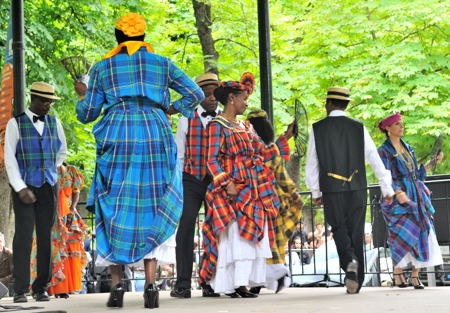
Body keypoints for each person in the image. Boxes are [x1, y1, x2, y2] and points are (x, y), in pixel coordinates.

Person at [74, 12, 204, 309]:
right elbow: (194, 93)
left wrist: (82, 96)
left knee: (114, 204)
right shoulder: (162, 64)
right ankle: (150, 285)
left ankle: (118, 287)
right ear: (143, 37)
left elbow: (87, 114)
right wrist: (169, 109)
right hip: (155, 135)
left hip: (119, 134)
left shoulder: (103, 68)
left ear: (118, 38)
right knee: (152, 203)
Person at [305, 87, 394, 294]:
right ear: (345, 104)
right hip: (357, 187)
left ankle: (350, 262)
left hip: (331, 188)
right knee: (355, 230)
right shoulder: (358, 127)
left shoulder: (317, 129)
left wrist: (316, 192)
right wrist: (386, 187)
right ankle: (356, 279)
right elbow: (374, 157)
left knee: (338, 228)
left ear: (329, 104)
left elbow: (312, 163)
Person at [198, 73, 280, 298]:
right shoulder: (218, 125)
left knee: (253, 235)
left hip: (255, 188)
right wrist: (227, 183)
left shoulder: (246, 126)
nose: (246, 103)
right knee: (235, 236)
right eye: (244, 98)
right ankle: (235, 283)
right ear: (232, 99)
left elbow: (261, 151)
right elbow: (211, 160)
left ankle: (246, 281)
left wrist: (280, 142)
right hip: (233, 189)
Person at [4, 81, 67, 303]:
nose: (47, 105)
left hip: (48, 186)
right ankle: (20, 289)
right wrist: (20, 187)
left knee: (44, 237)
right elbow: (10, 159)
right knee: (22, 237)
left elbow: (62, 151)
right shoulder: (15, 124)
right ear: (33, 99)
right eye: (44, 101)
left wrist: (52, 169)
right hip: (25, 186)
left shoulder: (54, 122)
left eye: (50, 101)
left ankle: (41, 287)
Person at [377, 112, 443, 289]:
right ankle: (398, 273)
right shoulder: (383, 150)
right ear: (388, 128)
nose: (401, 126)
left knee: (422, 230)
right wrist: (398, 192)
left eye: (402, 124)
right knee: (401, 235)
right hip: (396, 197)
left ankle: (415, 275)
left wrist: (432, 162)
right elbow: (385, 176)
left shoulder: (409, 148)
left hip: (416, 195)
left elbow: (418, 175)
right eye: (398, 124)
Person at [171, 73, 221, 299]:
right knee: (185, 228)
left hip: (216, 181)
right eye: (207, 95)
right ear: (198, 96)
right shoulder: (186, 118)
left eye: (215, 95)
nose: (212, 99)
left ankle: (210, 281)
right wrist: (177, 184)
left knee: (215, 231)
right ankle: (182, 283)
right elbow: (179, 155)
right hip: (190, 179)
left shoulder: (223, 119)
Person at [245, 109, 303, 294]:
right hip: (273, 203)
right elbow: (282, 177)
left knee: (255, 242)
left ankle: (257, 281)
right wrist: (294, 194)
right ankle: (274, 278)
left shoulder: (247, 149)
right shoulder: (271, 149)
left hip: (251, 202)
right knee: (273, 242)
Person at [47, 163, 88, 298]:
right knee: (58, 248)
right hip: (53, 212)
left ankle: (70, 286)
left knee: (71, 247)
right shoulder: (47, 168)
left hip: (69, 212)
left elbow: (76, 192)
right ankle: (59, 288)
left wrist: (71, 210)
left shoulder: (71, 170)